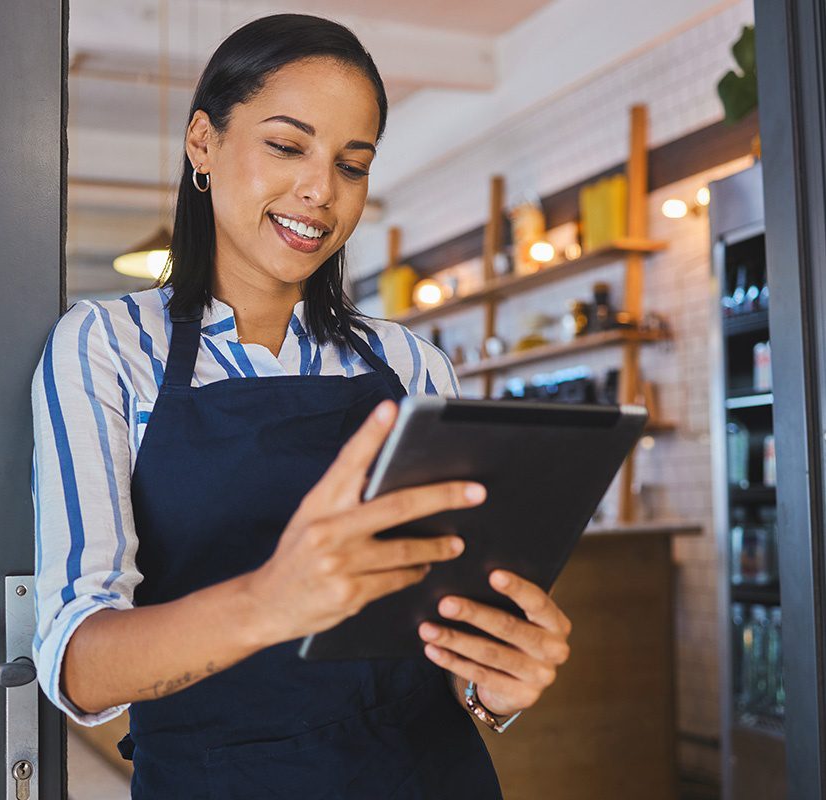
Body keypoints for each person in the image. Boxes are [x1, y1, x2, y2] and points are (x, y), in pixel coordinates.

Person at [31, 13, 572, 798]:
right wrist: (267, 601)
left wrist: (497, 684)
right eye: (288, 147)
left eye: (352, 165)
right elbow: (77, 664)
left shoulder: (410, 363)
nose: (322, 191)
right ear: (203, 145)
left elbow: (449, 633)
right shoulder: (107, 347)